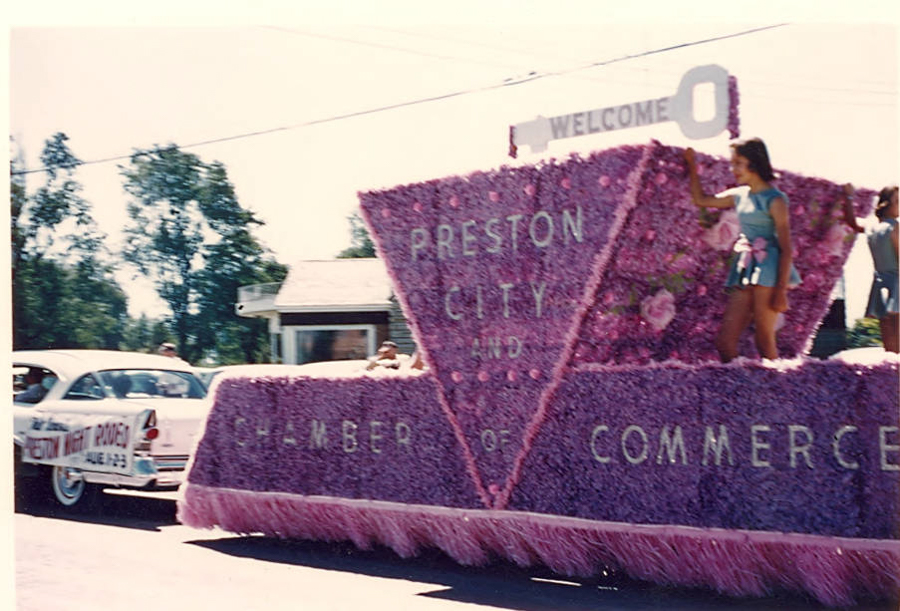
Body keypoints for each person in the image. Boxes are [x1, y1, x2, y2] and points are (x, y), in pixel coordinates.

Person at [685, 138, 801, 362]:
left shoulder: (775, 200)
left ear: (755, 163)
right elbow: (701, 200)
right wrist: (691, 164)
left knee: (763, 339)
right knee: (725, 342)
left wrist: (781, 292)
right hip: (745, 265)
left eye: (738, 163)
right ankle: (744, 391)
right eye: (732, 163)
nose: (733, 169)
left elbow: (787, 248)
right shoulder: (738, 195)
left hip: (768, 267)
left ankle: (781, 392)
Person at [864, 186, 899, 353]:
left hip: (880, 283)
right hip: (897, 283)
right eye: (898, 201)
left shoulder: (871, 228)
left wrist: (848, 198)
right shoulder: (895, 228)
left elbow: (852, 222)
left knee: (889, 346)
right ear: (886, 204)